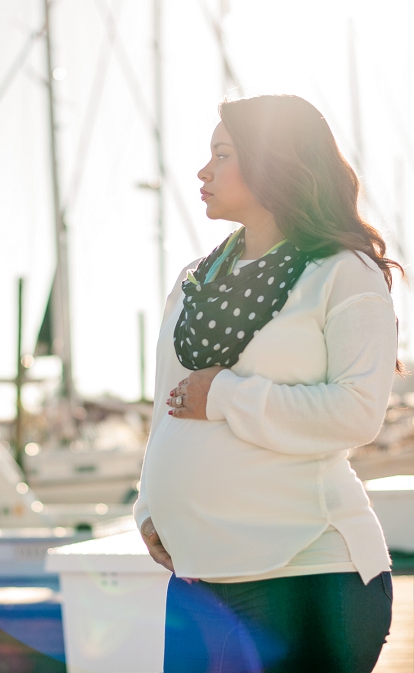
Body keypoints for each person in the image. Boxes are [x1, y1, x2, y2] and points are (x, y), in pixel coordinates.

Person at [135, 95, 399, 672]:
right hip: (202, 578)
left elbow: (357, 413)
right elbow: (167, 408)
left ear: (275, 162)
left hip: (309, 575)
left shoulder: (342, 271)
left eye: (223, 154)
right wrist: (148, 505)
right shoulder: (193, 281)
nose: (203, 171)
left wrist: (228, 396)